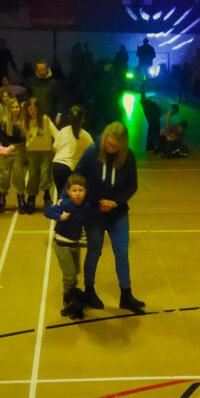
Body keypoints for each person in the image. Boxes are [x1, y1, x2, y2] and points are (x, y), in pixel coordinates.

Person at [73, 122, 145, 314]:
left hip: (117, 212)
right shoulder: (92, 153)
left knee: (121, 252)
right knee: (94, 251)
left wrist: (116, 202)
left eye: (115, 146)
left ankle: (126, 295)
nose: (110, 148)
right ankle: (89, 290)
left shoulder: (128, 157)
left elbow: (132, 186)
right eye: (108, 144)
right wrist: (79, 202)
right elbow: (76, 177)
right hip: (94, 213)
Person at [44, 174, 93, 319]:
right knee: (69, 276)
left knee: (75, 274)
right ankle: (68, 302)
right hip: (62, 245)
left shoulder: (86, 206)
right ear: (69, 192)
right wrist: (60, 216)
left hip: (74, 245)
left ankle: (72, 297)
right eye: (74, 190)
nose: (78, 193)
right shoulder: (65, 205)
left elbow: (92, 215)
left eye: (81, 190)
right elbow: (48, 212)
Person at [21, 98, 60, 213]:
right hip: (32, 153)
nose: (32, 111)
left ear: (39, 109)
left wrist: (56, 145)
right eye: (30, 109)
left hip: (45, 152)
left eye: (35, 109)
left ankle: (47, 197)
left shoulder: (45, 120)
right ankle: (31, 197)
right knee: (33, 175)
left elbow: (56, 134)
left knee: (45, 174)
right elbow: (23, 136)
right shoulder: (25, 122)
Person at [0, 97, 27, 214]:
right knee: (4, 174)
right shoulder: (3, 121)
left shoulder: (23, 122)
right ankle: (2, 195)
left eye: (17, 107)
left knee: (18, 174)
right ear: (9, 109)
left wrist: (15, 146)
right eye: (12, 107)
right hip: (6, 151)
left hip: (18, 151)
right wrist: (6, 147)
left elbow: (23, 138)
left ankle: (21, 197)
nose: (15, 109)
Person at [52, 106, 93, 196]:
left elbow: (54, 148)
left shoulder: (63, 131)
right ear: (82, 119)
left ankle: (60, 208)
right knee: (71, 196)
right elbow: (92, 153)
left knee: (61, 194)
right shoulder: (85, 135)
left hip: (56, 166)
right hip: (69, 168)